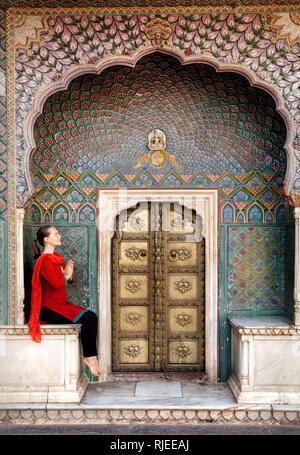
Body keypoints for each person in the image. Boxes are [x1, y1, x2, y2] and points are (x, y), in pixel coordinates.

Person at [28, 225, 101, 377]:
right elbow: (57, 283)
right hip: (48, 309)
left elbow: (67, 281)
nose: (60, 236)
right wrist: (66, 276)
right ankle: (89, 357)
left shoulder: (56, 260)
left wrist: (69, 275)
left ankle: (90, 356)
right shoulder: (45, 260)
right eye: (56, 234)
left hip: (59, 306)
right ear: (46, 239)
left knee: (90, 317)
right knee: (90, 318)